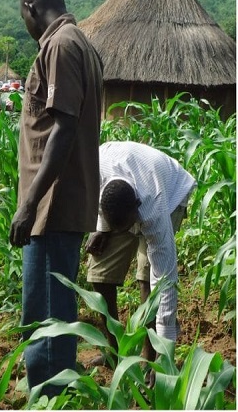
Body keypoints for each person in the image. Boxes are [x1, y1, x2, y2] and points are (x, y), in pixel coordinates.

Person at [8, 0, 103, 397]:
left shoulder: (62, 46)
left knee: (45, 320)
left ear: (30, 8)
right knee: (55, 312)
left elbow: (63, 130)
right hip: (58, 206)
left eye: (22, 15)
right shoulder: (79, 43)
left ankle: (48, 400)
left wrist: (30, 203)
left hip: (51, 207)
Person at [85, 141, 196, 369]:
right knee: (100, 274)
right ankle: (115, 354)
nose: (130, 231)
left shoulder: (154, 208)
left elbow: (165, 283)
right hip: (119, 195)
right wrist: (102, 228)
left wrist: (166, 355)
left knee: (148, 281)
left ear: (137, 208)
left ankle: (150, 358)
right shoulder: (93, 173)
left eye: (130, 225)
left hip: (170, 192)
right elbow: (99, 203)